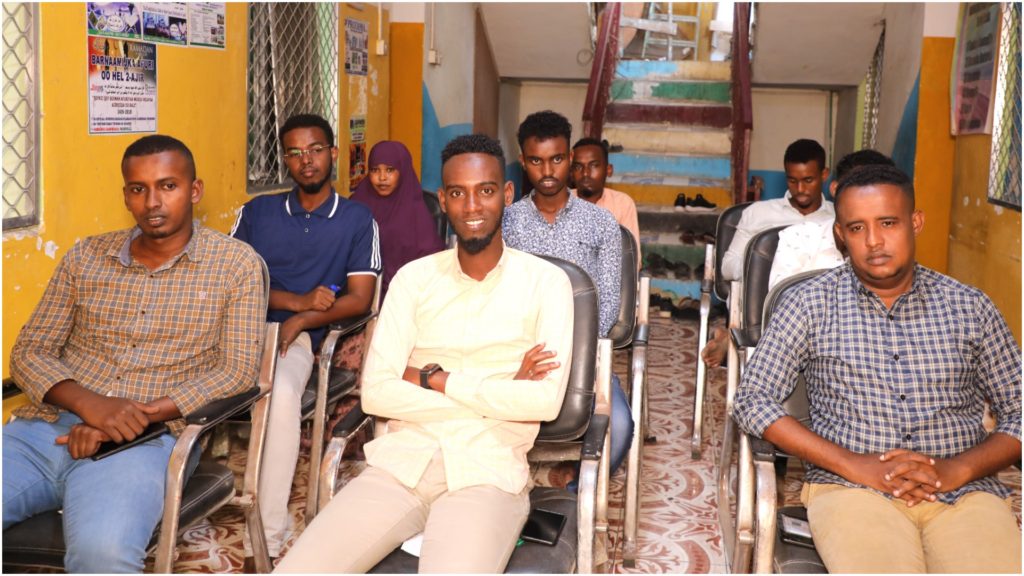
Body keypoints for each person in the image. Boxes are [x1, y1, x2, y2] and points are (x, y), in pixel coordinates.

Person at [274, 133, 575, 573]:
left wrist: (433, 377)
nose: (472, 206)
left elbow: (542, 402)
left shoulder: (546, 284)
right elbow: (376, 394)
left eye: (486, 191)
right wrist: (500, 392)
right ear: (444, 199)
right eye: (458, 193)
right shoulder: (413, 281)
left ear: (507, 195)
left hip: (486, 473)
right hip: (401, 467)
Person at [733, 165, 1022, 573]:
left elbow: (1021, 409)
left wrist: (960, 468)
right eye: (856, 228)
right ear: (840, 235)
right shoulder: (809, 304)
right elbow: (751, 399)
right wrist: (854, 464)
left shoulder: (970, 307)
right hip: (851, 490)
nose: (873, 241)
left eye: (888, 223)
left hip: (964, 490)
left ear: (915, 222)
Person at [3, 135, 266, 573]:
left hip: (146, 443)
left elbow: (235, 371)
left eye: (168, 186)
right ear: (126, 195)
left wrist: (129, 418)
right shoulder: (86, 256)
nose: (152, 202)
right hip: (41, 433)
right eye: (138, 189)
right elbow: (30, 350)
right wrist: (91, 406)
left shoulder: (236, 265)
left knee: (102, 556)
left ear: (194, 190)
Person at [231, 113, 381, 568]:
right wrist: (299, 305)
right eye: (294, 153)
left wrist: (298, 324)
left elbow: (360, 299)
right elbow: (230, 282)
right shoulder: (257, 212)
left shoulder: (356, 219)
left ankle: (270, 534)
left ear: (333, 153)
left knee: (280, 395)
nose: (306, 160)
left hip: (292, 340)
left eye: (315, 150)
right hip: (239, 327)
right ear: (285, 161)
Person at [502, 110, 633, 486]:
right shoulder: (507, 223)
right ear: (523, 161)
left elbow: (606, 304)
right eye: (537, 161)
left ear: (570, 160)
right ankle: (510, 489)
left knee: (620, 426)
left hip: (582, 354)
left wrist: (570, 351)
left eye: (557, 159)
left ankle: (576, 497)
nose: (548, 170)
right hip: (516, 352)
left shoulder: (601, 223)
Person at [702, 138, 835, 367]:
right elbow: (727, 267)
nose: (800, 190)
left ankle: (731, 337)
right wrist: (766, 258)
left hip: (819, 311)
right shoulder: (759, 214)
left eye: (808, 180)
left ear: (824, 175)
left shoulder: (837, 218)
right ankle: (738, 334)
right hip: (762, 308)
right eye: (792, 181)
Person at [767, 149, 896, 290]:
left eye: (877, 196)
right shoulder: (797, 238)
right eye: (858, 191)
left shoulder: (888, 248)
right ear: (835, 189)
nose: (867, 202)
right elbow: (781, 302)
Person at [350, 140, 445, 300]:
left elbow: (431, 266)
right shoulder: (356, 204)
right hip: (358, 294)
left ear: (403, 171)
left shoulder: (417, 212)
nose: (382, 178)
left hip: (408, 297)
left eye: (390, 170)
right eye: (374, 170)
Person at [570, 136, 641, 269]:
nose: (585, 173)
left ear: (608, 170)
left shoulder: (622, 204)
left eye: (594, 165)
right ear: (571, 173)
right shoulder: (561, 203)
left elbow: (632, 261)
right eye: (578, 167)